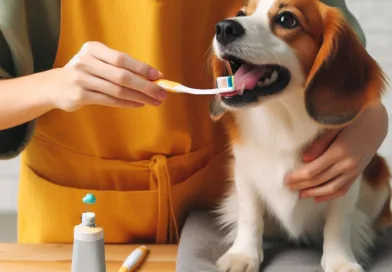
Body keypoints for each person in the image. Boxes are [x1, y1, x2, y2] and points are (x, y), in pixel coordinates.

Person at [0, 0, 388, 244]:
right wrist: (53, 84)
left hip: (227, 214)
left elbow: (339, 62)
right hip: (76, 223)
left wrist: (372, 116)